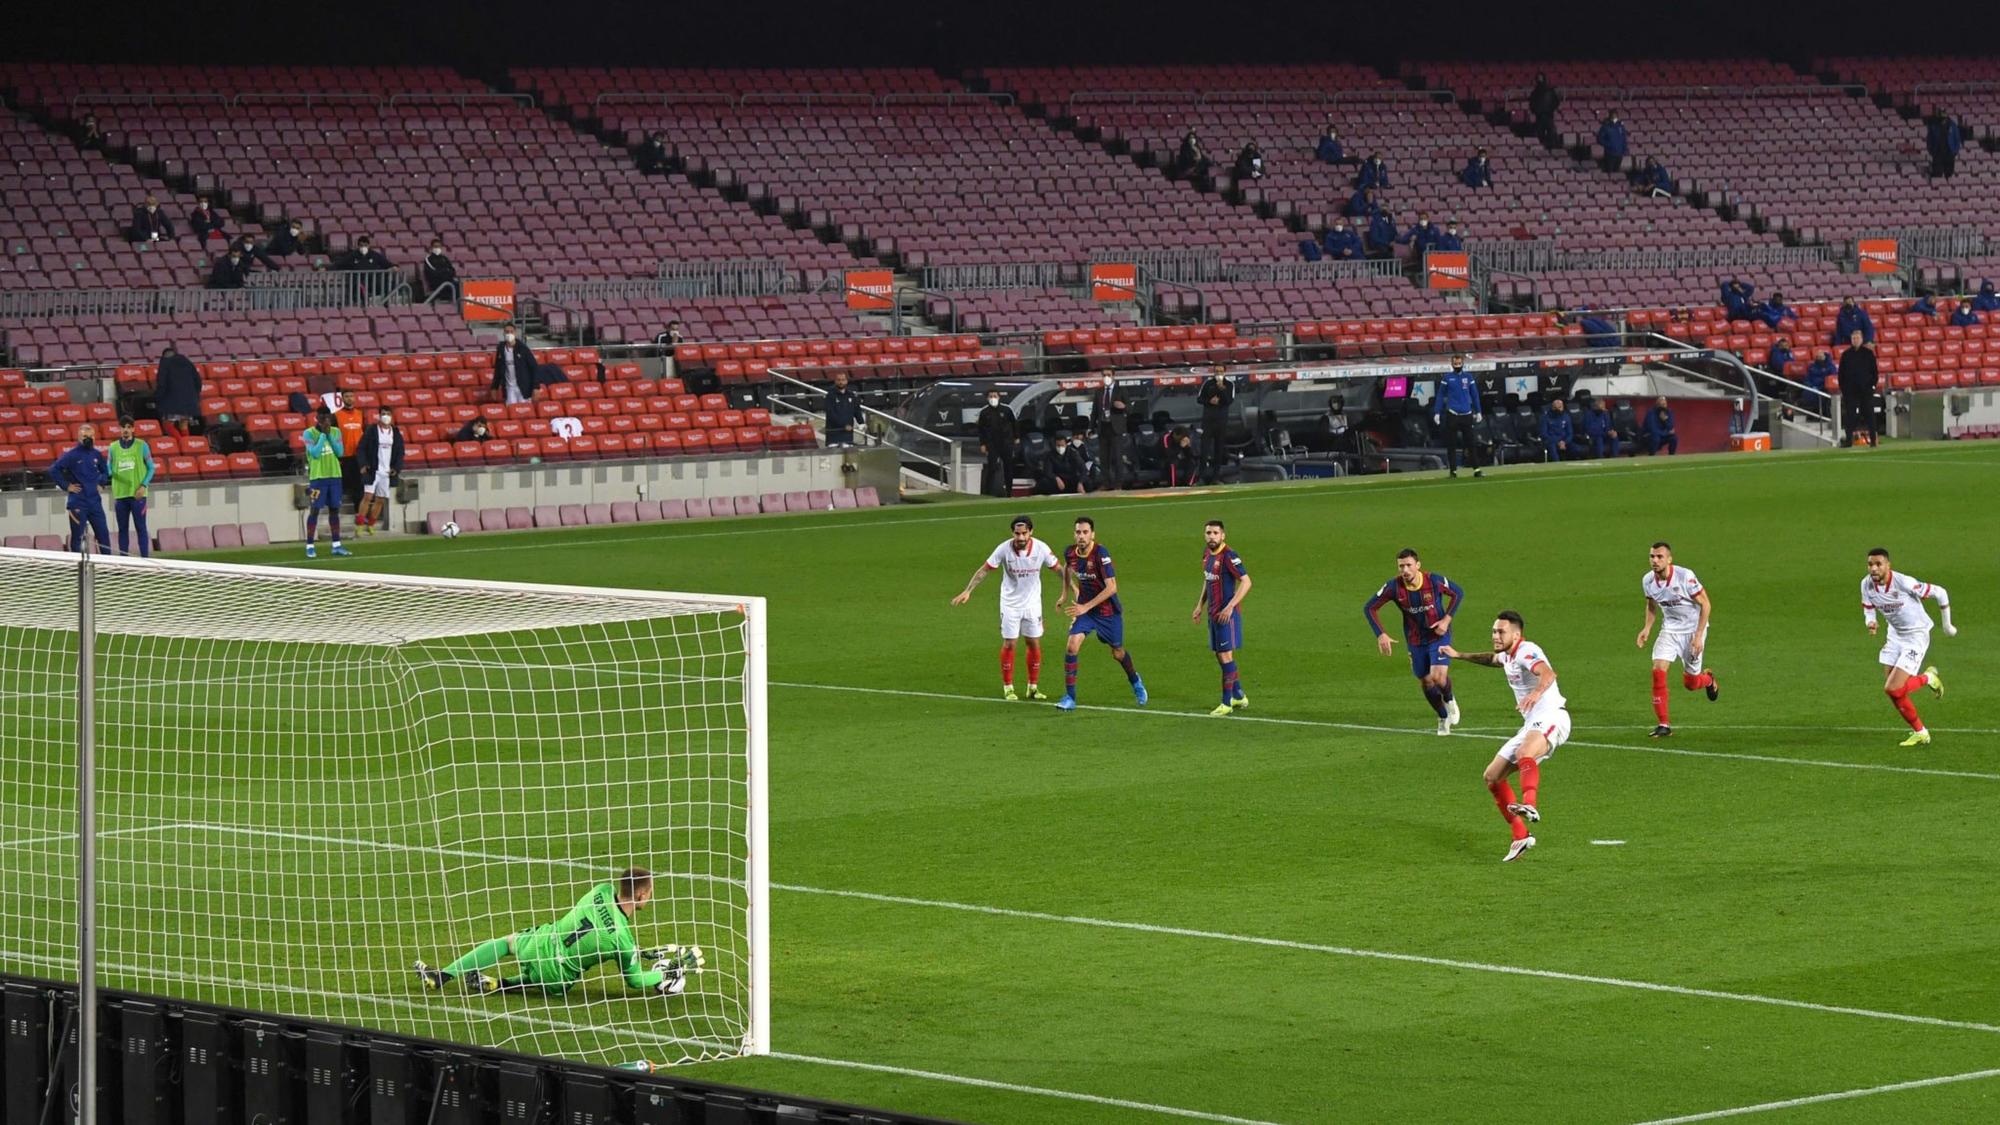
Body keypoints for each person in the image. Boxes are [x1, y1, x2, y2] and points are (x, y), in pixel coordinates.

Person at [415, 869, 701, 997]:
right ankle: (502, 985)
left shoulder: (600, 890)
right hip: (557, 978)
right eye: (649, 894)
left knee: (507, 943)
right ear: (640, 896)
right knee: (545, 977)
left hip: (540, 944)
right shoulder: (623, 940)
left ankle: (442, 975)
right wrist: (669, 972)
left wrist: (635, 952)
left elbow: (599, 928)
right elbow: (636, 980)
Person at [1441, 611, 1570, 864]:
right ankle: (1521, 835)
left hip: (1553, 716)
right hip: (1531, 723)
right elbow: (1492, 659)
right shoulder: (1509, 655)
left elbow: (1548, 674)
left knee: (1524, 753)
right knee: (1492, 776)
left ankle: (1529, 803)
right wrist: (1459, 655)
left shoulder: (1526, 650)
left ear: (1516, 634)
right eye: (1493, 631)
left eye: (1501, 632)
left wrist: (1535, 694)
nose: (1495, 635)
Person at [952, 515, 1062, 701]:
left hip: (1033, 604)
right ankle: (1008, 687)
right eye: (1017, 533)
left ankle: (1032, 688)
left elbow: (1059, 568)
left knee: (1034, 642)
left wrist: (1074, 588)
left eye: (1024, 533)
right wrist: (968, 590)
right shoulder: (1004, 549)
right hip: (1010, 604)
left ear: (1031, 532)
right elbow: (984, 569)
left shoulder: (1041, 548)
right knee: (1010, 643)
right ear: (1013, 533)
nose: (1020, 537)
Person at [1364, 548, 1465, 735]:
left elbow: (1458, 593)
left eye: (1409, 565)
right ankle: (1442, 716)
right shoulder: (1394, 587)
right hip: (1415, 640)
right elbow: (1369, 607)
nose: (1405, 570)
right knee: (1426, 681)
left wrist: (1446, 620)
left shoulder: (1433, 581)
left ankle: (1450, 700)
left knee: (1438, 677)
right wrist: (1381, 634)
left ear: (1418, 565)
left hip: (1438, 635)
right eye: (1401, 566)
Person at [1860, 548, 1953, 747]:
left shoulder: (1904, 583)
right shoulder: (1866, 585)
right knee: (1895, 690)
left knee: (1893, 689)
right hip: (1895, 635)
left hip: (1916, 636)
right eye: (1870, 564)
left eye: (1878, 564)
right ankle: (1921, 730)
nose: (1874, 569)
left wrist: (1947, 625)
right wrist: (1871, 622)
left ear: (1888, 565)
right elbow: (1868, 607)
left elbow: (1940, 592)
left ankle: (1928, 684)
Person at [1056, 516, 1145, 710]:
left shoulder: (1100, 553)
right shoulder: (1070, 552)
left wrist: (1086, 606)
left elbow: (1112, 587)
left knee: (1117, 652)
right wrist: (1064, 594)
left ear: (1092, 534)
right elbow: (1066, 568)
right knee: (1072, 645)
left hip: (1107, 612)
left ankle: (1135, 681)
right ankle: (1070, 698)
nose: (1081, 536)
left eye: (1085, 532)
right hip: (1085, 611)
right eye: (1078, 532)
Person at [1636, 541, 1719, 738]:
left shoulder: (1685, 576)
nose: (1655, 560)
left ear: (1669, 559)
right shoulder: (1648, 580)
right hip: (1670, 631)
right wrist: (1647, 628)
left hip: (1692, 631)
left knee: (1691, 683)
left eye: (1659, 557)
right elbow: (1651, 605)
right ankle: (1663, 724)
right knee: (1658, 670)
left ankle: (1708, 680)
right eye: (1652, 556)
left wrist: (1699, 636)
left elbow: (1706, 604)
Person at [1193, 519, 1252, 717]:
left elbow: (1246, 582)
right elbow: (1207, 580)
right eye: (1208, 533)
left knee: (1226, 656)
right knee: (1221, 655)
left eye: (1215, 533)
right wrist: (1199, 605)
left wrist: (1230, 607)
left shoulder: (1229, 556)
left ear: (1223, 535)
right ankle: (1238, 695)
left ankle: (1226, 702)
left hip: (1227, 616)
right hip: (1213, 613)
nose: (1211, 536)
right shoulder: (1207, 554)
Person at [48, 424, 112, 555]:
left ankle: (108, 567)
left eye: (91, 436)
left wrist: (102, 483)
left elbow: (105, 471)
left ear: (95, 437)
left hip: (95, 502)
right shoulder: (71, 455)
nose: (88, 439)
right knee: (77, 537)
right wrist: (67, 486)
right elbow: (53, 470)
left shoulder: (97, 454)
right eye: (85, 436)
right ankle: (78, 568)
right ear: (79, 437)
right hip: (78, 502)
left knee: (103, 535)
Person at [301, 406, 350, 559]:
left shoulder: (336, 432)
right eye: (322, 417)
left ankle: (336, 545)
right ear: (317, 417)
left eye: (328, 417)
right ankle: (310, 546)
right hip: (317, 478)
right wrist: (323, 435)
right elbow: (314, 454)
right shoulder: (309, 433)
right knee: (314, 510)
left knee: (334, 509)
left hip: (335, 477)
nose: (326, 420)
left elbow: (339, 452)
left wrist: (328, 435)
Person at [106, 415, 155, 557]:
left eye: (128, 427)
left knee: (141, 528)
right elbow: (108, 469)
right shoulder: (113, 447)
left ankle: (145, 560)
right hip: (120, 495)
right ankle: (124, 562)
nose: (125, 430)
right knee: (122, 529)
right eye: (123, 427)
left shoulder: (142, 446)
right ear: (119, 429)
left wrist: (143, 486)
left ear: (133, 429)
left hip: (138, 495)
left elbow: (151, 468)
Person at [1432, 353, 1484, 479]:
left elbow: (1475, 395)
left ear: (1463, 364)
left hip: (1466, 414)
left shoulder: (1468, 377)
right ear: (1452, 364)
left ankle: (1477, 469)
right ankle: (1453, 471)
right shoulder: (1447, 378)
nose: (1457, 366)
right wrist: (1437, 412)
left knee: (1471, 443)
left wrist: (1478, 411)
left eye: (1459, 364)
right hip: (1453, 414)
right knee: (1452, 444)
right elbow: (1440, 396)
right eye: (1455, 364)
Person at [356, 405, 405, 536]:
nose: (386, 416)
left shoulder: (395, 432)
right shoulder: (372, 430)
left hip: (386, 472)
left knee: (380, 499)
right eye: (383, 413)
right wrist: (363, 464)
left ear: (392, 416)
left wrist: (396, 467)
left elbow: (400, 451)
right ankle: (360, 524)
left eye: (388, 413)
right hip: (373, 469)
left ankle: (371, 524)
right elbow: (361, 448)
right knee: (367, 497)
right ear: (379, 415)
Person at [1836, 330, 1879, 446]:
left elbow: (1874, 373)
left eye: (1857, 338)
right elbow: (1841, 374)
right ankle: (1849, 440)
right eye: (1853, 338)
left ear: (1861, 339)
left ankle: (1873, 440)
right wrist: (1844, 389)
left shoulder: (1868, 354)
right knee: (1850, 416)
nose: (1855, 340)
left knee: (1869, 414)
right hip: (1850, 392)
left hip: (1866, 391)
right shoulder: (1846, 355)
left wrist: (1872, 386)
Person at [975, 389, 1016, 498]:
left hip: (1006, 443)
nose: (993, 398)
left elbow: (1014, 423)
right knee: (991, 468)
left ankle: (1009, 491)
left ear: (999, 397)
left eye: (995, 396)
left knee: (1008, 468)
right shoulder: (984, 412)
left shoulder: (1007, 410)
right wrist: (982, 444)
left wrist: (1016, 437)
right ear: (987, 398)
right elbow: (980, 430)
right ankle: (987, 492)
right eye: (991, 396)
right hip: (992, 444)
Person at [154, 344, 202, 436]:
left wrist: (158, 397)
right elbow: (198, 381)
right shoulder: (187, 362)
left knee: (167, 424)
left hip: (172, 401)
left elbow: (161, 383)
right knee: (183, 425)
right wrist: (195, 396)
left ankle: (181, 444)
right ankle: (187, 445)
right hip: (190, 401)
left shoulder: (165, 362)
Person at [1093, 373, 1127, 491]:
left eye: (1108, 375)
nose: (1106, 377)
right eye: (1104, 375)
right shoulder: (1099, 392)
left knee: (1117, 457)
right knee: (1104, 458)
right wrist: (1092, 427)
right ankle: (1106, 483)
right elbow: (1095, 411)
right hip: (1103, 427)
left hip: (1116, 428)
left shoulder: (1120, 391)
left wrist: (1123, 407)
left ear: (1113, 376)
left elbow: (1130, 408)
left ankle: (1118, 484)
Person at [1196, 372, 1233, 483]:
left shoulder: (1229, 384)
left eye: (1221, 371)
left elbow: (1229, 401)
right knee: (1204, 450)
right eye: (1217, 370)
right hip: (1208, 421)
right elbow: (1199, 399)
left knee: (1219, 450)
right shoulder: (1208, 383)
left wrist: (1222, 389)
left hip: (1221, 421)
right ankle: (1201, 477)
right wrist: (1209, 401)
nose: (1218, 373)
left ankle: (1215, 477)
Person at [333, 389, 366, 504]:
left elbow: (365, 435)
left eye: (351, 396)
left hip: (358, 457)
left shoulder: (361, 414)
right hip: (343, 456)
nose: (349, 398)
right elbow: (332, 437)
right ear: (342, 398)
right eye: (346, 396)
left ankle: (359, 513)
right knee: (341, 485)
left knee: (359, 486)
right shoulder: (336, 416)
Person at [491, 325, 538, 404]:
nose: (509, 334)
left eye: (511, 332)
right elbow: (498, 370)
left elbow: (534, 367)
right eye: (507, 332)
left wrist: (536, 387)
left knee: (524, 411)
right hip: (509, 387)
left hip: (523, 387)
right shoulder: (501, 349)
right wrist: (494, 387)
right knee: (511, 410)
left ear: (515, 333)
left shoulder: (523, 348)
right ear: (503, 333)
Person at [822, 371, 863, 447]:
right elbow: (831, 414)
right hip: (833, 435)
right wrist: (844, 425)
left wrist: (861, 423)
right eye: (839, 380)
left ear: (846, 381)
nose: (841, 382)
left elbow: (857, 410)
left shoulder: (851, 395)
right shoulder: (830, 395)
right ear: (835, 381)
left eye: (843, 380)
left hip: (847, 435)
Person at [1925, 108, 1961, 179]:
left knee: (1949, 174)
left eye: (1944, 118)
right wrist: (1932, 151)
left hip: (1949, 153)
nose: (1942, 120)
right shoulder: (1933, 126)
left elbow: (1957, 139)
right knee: (1937, 174)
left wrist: (1955, 151)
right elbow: (1929, 140)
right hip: (1937, 153)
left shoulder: (1952, 125)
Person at [1527, 73, 1561, 143]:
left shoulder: (1548, 91)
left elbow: (1556, 102)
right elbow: (1532, 105)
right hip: (1542, 116)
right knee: (1544, 135)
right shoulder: (1535, 93)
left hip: (1545, 116)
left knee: (1547, 135)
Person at [1539, 397, 1573, 462]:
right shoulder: (1545, 418)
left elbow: (1570, 433)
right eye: (1555, 407)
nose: (1558, 409)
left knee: (1576, 448)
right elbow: (1544, 434)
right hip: (1551, 441)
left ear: (1563, 407)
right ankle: (1557, 464)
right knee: (1552, 447)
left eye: (1560, 407)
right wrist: (1558, 442)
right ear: (1552, 407)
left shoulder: (1566, 417)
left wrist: (1564, 442)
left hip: (1564, 441)